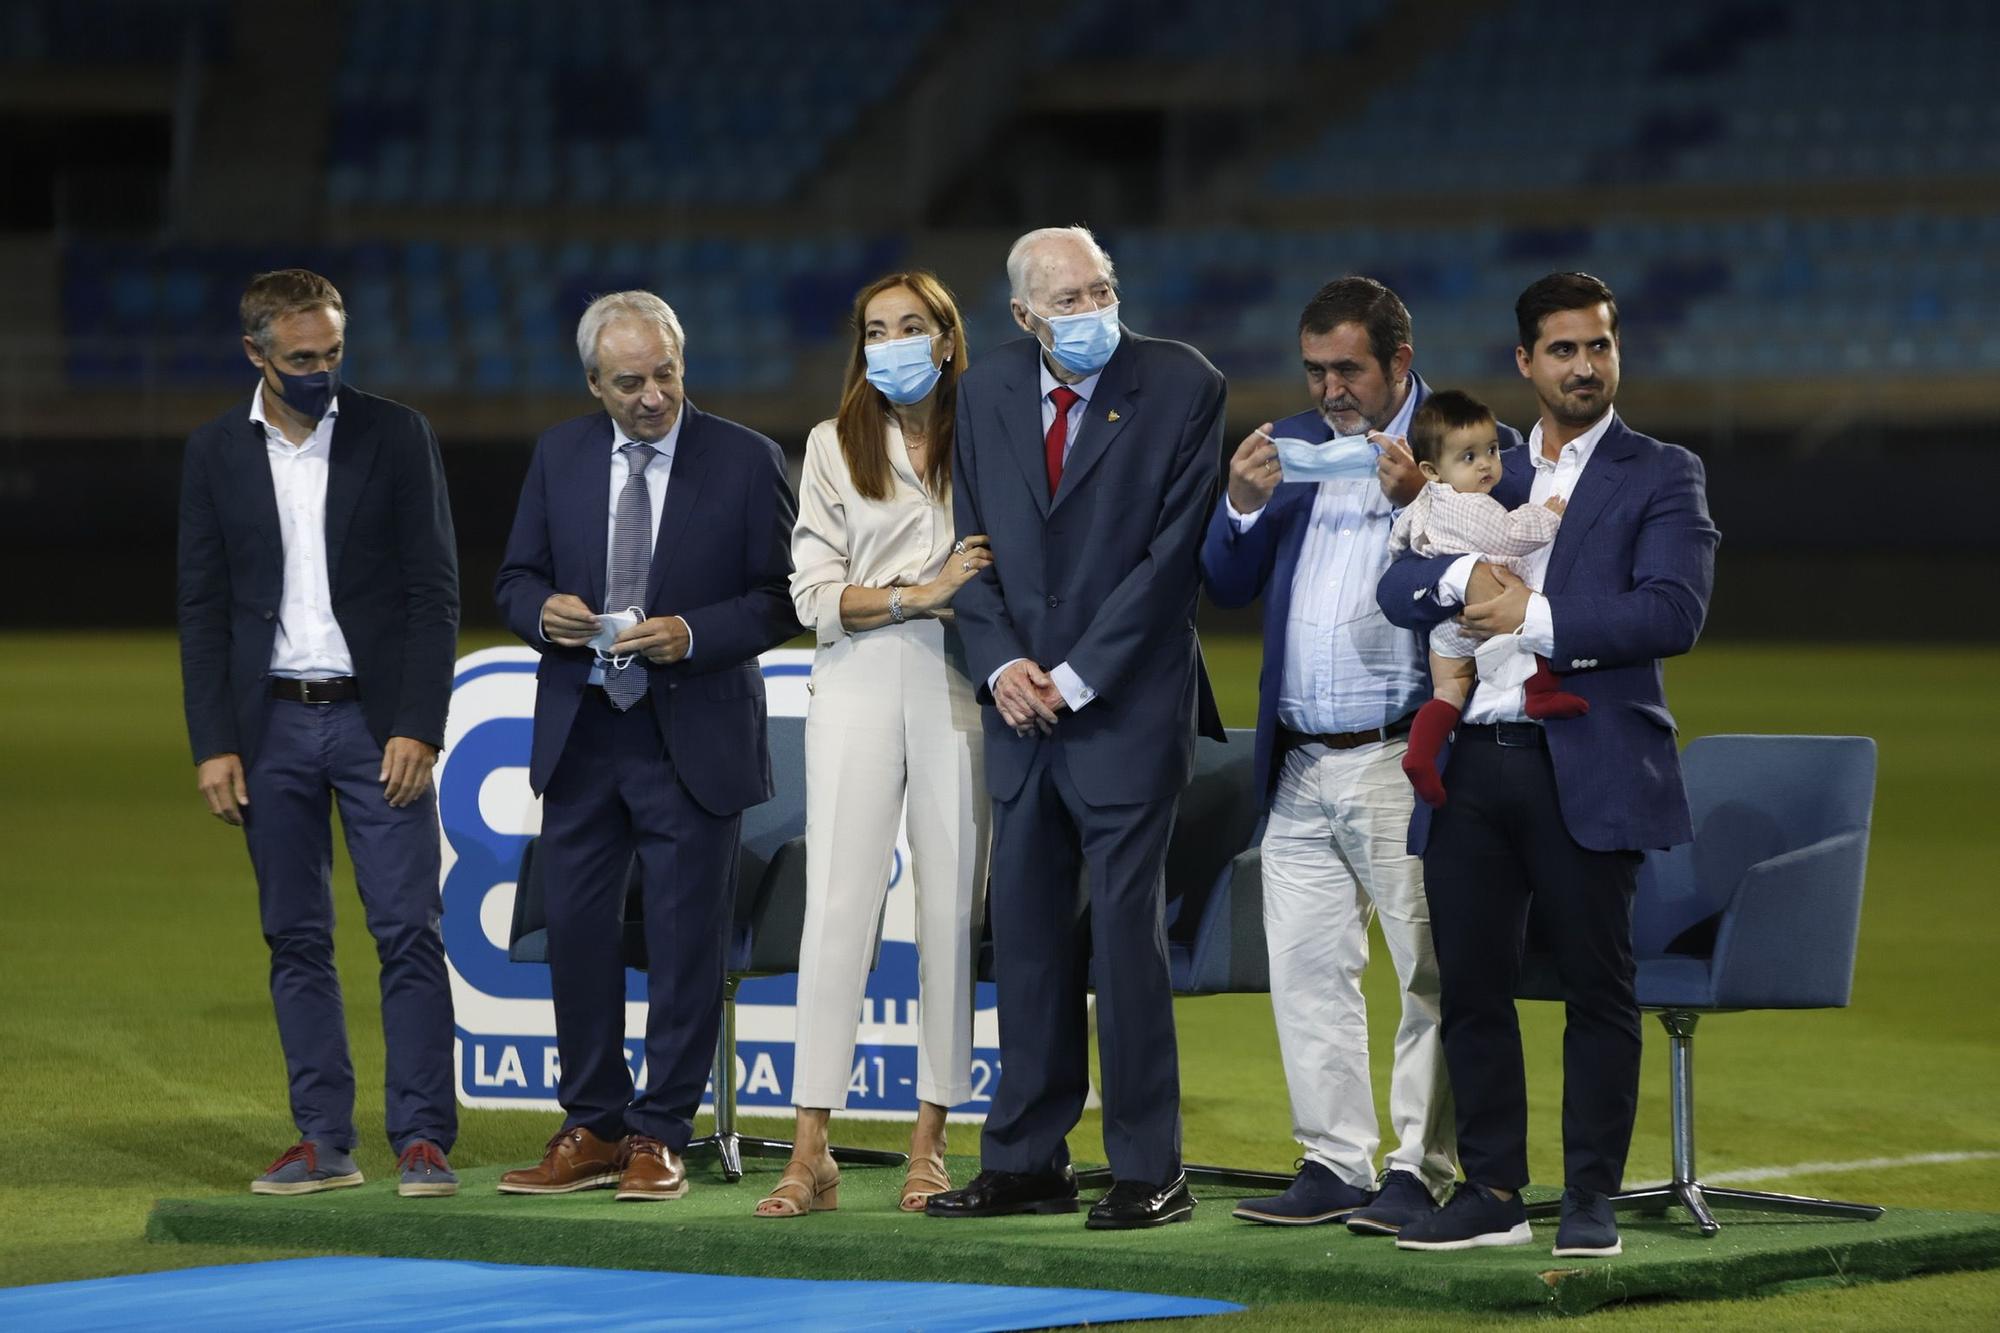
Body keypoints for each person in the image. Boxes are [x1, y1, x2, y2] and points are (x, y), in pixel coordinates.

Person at [1379, 273, 1718, 1258]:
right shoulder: (1484, 468)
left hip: (1586, 759)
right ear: (1525, 362)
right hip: (1471, 766)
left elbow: (1670, 613)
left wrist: (1529, 617)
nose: (1582, 365)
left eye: (1597, 347)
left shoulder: (1661, 473)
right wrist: (1456, 574)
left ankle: (1588, 1199)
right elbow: (1398, 577)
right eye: (1561, 349)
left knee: (1594, 987)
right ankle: (1491, 1190)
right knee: (1472, 987)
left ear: (1616, 354)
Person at [923, 225, 1226, 1231]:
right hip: (1017, 712)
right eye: (1065, 300)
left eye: (1099, 289)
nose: (1090, 311)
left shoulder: (1182, 385)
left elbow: (1173, 556)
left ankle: (1149, 1167)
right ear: (1020, 317)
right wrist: (1004, 661)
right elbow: (969, 545)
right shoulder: (985, 391)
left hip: (1125, 707)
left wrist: (1077, 674)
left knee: (1125, 945)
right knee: (1025, 941)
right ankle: (1023, 1159)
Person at [1200, 277, 1503, 1236]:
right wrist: (1241, 506)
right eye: (1316, 369)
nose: (1330, 388)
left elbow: (1504, 571)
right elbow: (1228, 580)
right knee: (1306, 970)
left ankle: (1418, 1167)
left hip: (1399, 753)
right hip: (1298, 760)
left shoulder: (1459, 445)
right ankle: (1333, 1160)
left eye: (1349, 369)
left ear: (1399, 364)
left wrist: (1429, 502)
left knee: (1426, 971)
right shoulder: (1290, 446)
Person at [493, 291, 800, 1203]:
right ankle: (591, 1125)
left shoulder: (746, 459)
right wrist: (538, 612)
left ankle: (661, 1131)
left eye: (666, 373)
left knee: (684, 940)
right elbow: (514, 577)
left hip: (692, 736)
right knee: (580, 936)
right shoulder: (559, 453)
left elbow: (783, 597)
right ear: (594, 382)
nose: (653, 396)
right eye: (630, 381)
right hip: (584, 734)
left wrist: (690, 634)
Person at [177, 268, 461, 1198]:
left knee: (407, 932)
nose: (321, 371)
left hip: (376, 726)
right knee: (295, 938)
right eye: (302, 358)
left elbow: (433, 592)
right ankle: (322, 1141)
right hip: (270, 732)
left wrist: (419, 722)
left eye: (334, 353)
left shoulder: (396, 433)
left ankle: (422, 1139)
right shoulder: (215, 451)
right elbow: (204, 608)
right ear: (256, 353)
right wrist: (214, 741)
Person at [758, 271, 992, 1218]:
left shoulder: (990, 432)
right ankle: (809, 1149)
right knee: (838, 912)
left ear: (946, 337)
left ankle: (929, 1146)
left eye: (911, 326)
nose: (891, 342)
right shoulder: (829, 445)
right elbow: (812, 596)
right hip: (855, 681)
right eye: (874, 329)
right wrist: (919, 591)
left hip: (966, 686)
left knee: (950, 917)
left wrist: (939, 599)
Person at [1389, 388, 1588, 808]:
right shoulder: (1475, 506)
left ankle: (1420, 755)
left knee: (1447, 693)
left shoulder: (1425, 498)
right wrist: (1548, 514)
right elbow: (1512, 535)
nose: (1486, 464)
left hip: (1444, 631)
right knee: (1529, 618)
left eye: (1492, 450)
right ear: (1431, 469)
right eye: (1468, 457)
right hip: (1481, 617)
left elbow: (1399, 538)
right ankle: (1541, 694)